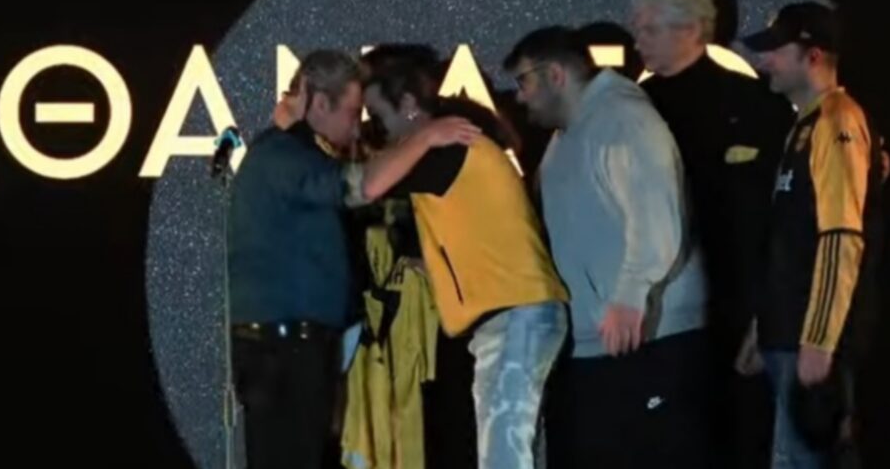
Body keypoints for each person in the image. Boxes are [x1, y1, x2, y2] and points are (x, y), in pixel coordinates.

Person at [227, 49, 479, 469]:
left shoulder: (291, 155)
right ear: (319, 103)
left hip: (292, 347)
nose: (357, 125)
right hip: (284, 352)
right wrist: (426, 137)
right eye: (352, 112)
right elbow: (358, 187)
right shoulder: (283, 156)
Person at [505, 25, 710, 468]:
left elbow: (654, 211)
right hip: (599, 340)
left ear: (555, 75)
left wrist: (630, 297)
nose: (519, 97)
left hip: (644, 337)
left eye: (524, 82)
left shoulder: (622, 119)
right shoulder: (567, 135)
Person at [361, 57, 570, 469]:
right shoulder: (448, 150)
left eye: (377, 114)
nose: (374, 127)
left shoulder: (447, 148)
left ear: (408, 104)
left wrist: (423, 137)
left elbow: (367, 184)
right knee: (502, 452)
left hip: (517, 314)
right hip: (511, 315)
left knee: (504, 455)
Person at [631, 0, 793, 467]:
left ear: (691, 29)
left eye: (650, 30)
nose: (638, 42)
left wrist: (766, 314)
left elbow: (782, 219)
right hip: (658, 312)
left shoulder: (753, 104)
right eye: (636, 29)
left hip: (735, 308)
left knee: (737, 439)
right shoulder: (631, 110)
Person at [737, 2, 884, 468]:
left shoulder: (837, 121)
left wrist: (819, 339)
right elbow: (789, 235)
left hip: (808, 338)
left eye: (776, 50)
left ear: (813, 56)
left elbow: (841, 236)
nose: (765, 61)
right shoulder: (806, 124)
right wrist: (763, 326)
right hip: (787, 333)